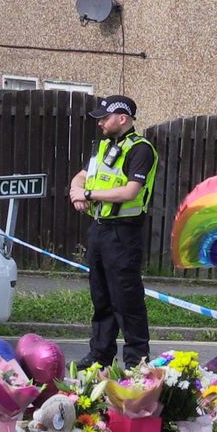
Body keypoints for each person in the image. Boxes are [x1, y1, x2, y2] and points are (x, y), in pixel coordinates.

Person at [68, 95, 159, 369]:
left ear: (122, 118)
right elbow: (81, 176)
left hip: (124, 233)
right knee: (101, 297)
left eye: (104, 118)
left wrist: (88, 193)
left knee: (126, 299)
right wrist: (76, 192)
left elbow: (131, 191)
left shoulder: (141, 149)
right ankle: (100, 355)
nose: (100, 124)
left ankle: (136, 360)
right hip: (99, 229)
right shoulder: (103, 147)